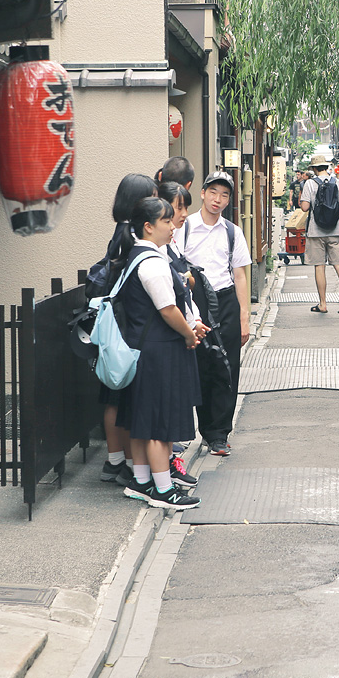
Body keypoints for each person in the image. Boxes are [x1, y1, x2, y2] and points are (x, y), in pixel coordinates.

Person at [115, 196, 208, 510]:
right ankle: (163, 490)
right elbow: (168, 309)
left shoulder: (137, 256)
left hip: (144, 349)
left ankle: (141, 481)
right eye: (166, 221)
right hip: (160, 350)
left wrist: (191, 325)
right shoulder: (153, 262)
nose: (172, 226)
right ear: (148, 226)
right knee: (159, 424)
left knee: (143, 421)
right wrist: (188, 333)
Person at [182, 171, 252, 456]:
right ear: (202, 193)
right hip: (194, 302)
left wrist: (244, 316)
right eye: (213, 193)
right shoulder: (185, 227)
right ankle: (204, 428)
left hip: (225, 302)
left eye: (224, 195)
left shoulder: (232, 231)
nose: (218, 200)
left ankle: (219, 434)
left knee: (227, 368)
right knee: (200, 367)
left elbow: (240, 275)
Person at [98, 173, 157, 487]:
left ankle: (116, 460)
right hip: (126, 325)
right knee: (122, 398)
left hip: (116, 324)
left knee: (114, 397)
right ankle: (124, 463)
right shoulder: (130, 235)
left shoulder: (118, 232)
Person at [156, 181, 202, 489]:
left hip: (182, 331)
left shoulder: (170, 242)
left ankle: (170, 464)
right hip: (168, 339)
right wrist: (188, 330)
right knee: (163, 413)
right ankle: (162, 476)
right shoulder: (154, 252)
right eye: (178, 207)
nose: (182, 214)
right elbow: (167, 304)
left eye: (185, 207)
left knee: (173, 406)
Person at [300, 155, 339, 314]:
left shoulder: (310, 183)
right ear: (325, 167)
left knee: (319, 266)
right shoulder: (337, 182)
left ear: (314, 169)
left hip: (316, 231)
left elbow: (304, 208)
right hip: (335, 229)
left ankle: (323, 304)